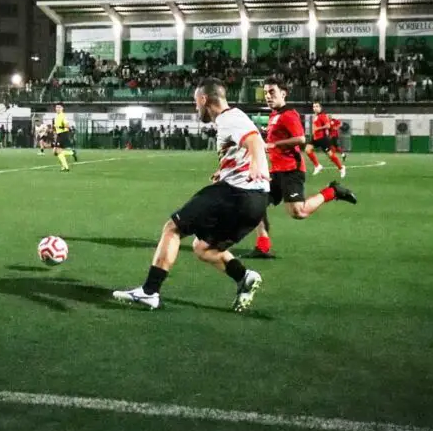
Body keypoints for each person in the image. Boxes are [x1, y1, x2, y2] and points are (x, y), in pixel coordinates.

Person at [112, 78, 268, 312]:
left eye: (196, 103)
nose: (196, 108)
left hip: (238, 194)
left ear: (205, 99)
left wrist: (255, 164)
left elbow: (254, 140)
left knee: (172, 228)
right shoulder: (233, 119)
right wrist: (226, 170)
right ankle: (243, 277)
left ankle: (149, 292)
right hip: (256, 203)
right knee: (204, 248)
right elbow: (243, 146)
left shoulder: (229, 117)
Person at [250, 78, 358, 259]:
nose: (268, 96)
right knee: (254, 204)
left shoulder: (288, 114)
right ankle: (263, 247)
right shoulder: (273, 115)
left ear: (283, 94)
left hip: (292, 169)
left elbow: (300, 139)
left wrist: (273, 144)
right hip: (276, 171)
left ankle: (332, 191)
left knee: (298, 212)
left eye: (272, 92)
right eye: (266, 93)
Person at [305, 102, 345, 177]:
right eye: (314, 107)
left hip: (322, 139)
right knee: (307, 149)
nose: (315, 108)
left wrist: (318, 128)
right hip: (315, 138)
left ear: (320, 108)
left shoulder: (322, 116)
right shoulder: (315, 116)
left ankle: (341, 168)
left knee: (331, 156)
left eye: (317, 106)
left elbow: (328, 125)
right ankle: (317, 166)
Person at [52, 104, 78, 171]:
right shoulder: (56, 116)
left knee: (58, 152)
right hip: (59, 134)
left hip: (63, 134)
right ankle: (71, 153)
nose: (57, 108)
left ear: (62, 108)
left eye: (59, 107)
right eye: (56, 107)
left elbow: (67, 125)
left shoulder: (63, 116)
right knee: (55, 152)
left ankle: (65, 167)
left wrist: (61, 127)